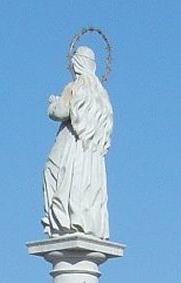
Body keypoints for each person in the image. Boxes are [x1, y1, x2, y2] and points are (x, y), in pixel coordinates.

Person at [41, 45, 113, 238]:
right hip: (90, 152)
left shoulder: (74, 87)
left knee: (52, 171)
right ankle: (84, 219)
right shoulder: (101, 94)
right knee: (86, 185)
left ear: (77, 63)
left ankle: (64, 219)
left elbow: (62, 112)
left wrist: (52, 105)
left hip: (71, 146)